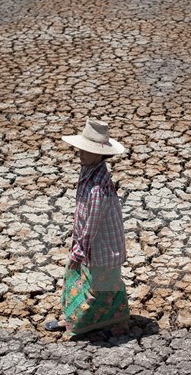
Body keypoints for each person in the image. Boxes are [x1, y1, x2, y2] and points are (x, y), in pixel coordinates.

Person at [44, 118, 129, 338]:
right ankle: (73, 318)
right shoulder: (89, 171)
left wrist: (81, 248)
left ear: (99, 153)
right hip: (88, 241)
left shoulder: (98, 187)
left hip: (101, 246)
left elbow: (93, 223)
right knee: (80, 280)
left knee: (102, 285)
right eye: (80, 149)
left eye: (85, 150)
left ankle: (104, 323)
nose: (80, 153)